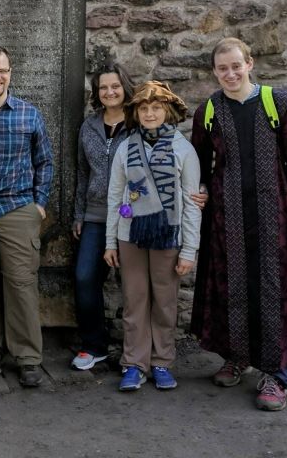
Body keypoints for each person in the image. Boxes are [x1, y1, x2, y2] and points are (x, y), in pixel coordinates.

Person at [190, 37, 287, 411]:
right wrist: (200, 191)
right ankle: (237, 357)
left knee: (273, 294)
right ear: (214, 71)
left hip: (272, 219)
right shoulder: (208, 110)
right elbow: (198, 163)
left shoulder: (279, 105)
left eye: (235, 65)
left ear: (250, 63)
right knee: (232, 289)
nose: (230, 73)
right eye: (222, 68)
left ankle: (275, 374)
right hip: (226, 221)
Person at [103, 81, 201, 391]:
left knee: (164, 300)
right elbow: (115, 197)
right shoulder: (124, 148)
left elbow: (191, 202)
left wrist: (189, 249)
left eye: (156, 107)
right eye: (144, 108)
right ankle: (134, 363)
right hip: (130, 234)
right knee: (134, 299)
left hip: (167, 236)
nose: (149, 113)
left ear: (167, 111)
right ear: (136, 113)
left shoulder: (183, 149)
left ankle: (161, 361)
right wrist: (109, 241)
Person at [0, 47, 54, 387]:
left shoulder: (28, 114)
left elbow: (44, 161)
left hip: (18, 210)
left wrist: (40, 204)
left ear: (10, 72)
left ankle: (28, 356)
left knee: (21, 285)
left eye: (1, 70)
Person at [70, 63, 135, 370]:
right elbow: (82, 174)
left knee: (134, 285)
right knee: (85, 277)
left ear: (125, 87)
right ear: (96, 93)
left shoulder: (139, 123)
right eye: (103, 88)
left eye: (115, 86)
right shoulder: (89, 126)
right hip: (96, 215)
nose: (110, 92)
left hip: (133, 216)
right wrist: (79, 214)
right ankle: (94, 345)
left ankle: (135, 353)